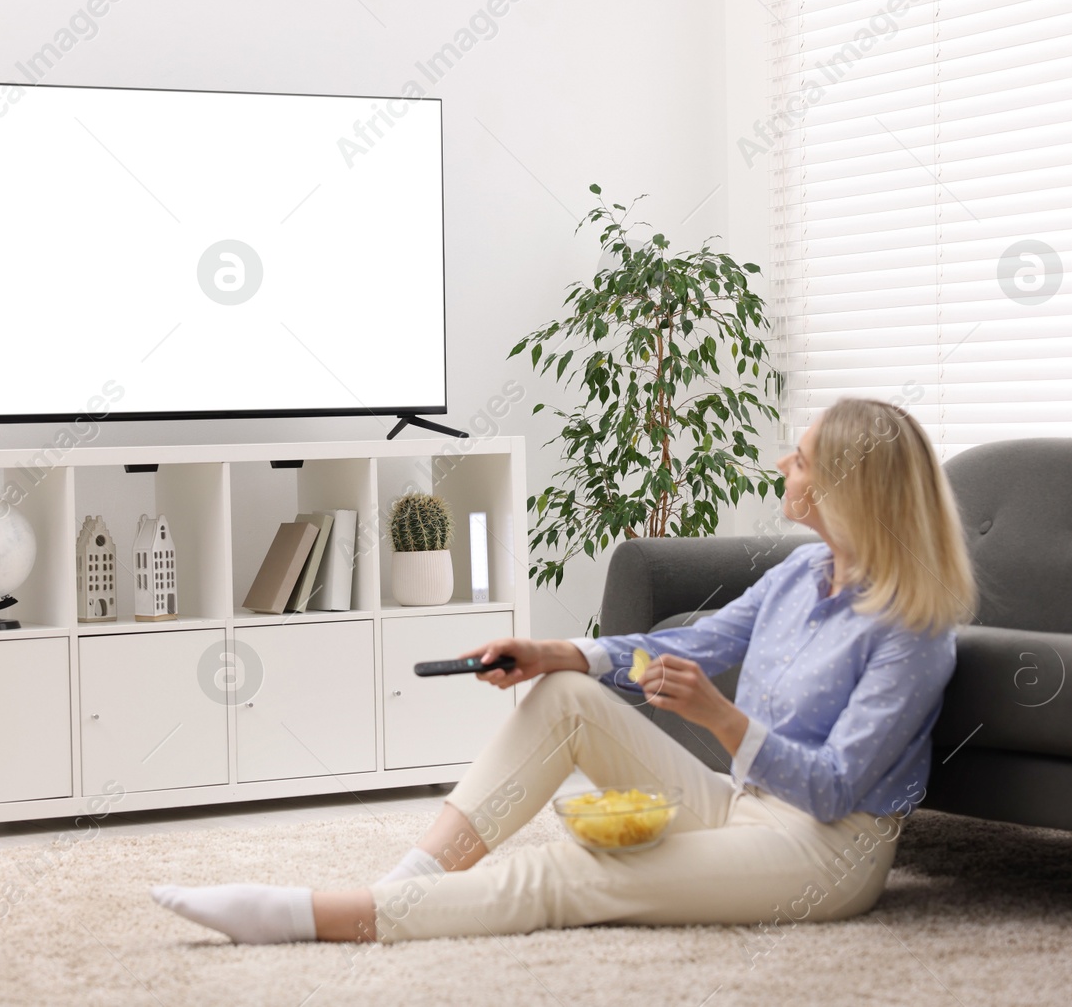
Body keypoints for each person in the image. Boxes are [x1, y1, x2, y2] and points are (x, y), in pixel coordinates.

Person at [150, 397, 978, 945]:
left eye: (798, 459)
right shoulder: (803, 572)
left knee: (576, 874)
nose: (781, 468)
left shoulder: (913, 631)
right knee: (566, 694)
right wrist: (555, 652)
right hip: (743, 805)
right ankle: (410, 881)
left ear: (845, 486)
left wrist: (722, 720)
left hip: (826, 853)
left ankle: (326, 918)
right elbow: (695, 644)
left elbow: (834, 788)